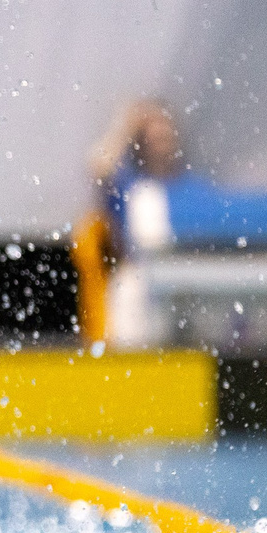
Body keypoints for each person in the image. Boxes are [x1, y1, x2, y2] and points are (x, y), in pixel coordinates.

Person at [85, 98, 184, 349]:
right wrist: (126, 125)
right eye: (153, 137)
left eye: (165, 136)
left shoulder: (191, 185)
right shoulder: (128, 185)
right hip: (138, 282)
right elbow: (98, 166)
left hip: (184, 280)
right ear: (140, 142)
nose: (161, 143)